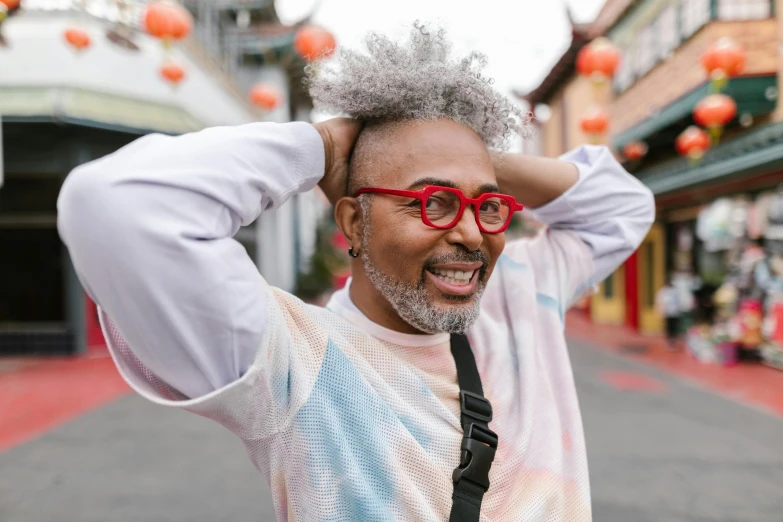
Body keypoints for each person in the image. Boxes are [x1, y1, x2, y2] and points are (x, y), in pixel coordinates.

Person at [57, 24, 654, 522]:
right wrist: (321, 146)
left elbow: (623, 208)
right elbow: (111, 203)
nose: (472, 234)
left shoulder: (521, 294)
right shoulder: (289, 358)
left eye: (487, 205)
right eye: (432, 202)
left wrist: (459, 151)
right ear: (354, 222)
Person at [656, 277, 683, 350]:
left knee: (674, 328)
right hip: (667, 313)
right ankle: (669, 342)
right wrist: (661, 312)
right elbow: (660, 302)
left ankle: (673, 342)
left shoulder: (675, 291)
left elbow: (678, 302)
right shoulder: (663, 291)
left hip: (675, 313)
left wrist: (679, 311)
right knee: (668, 328)